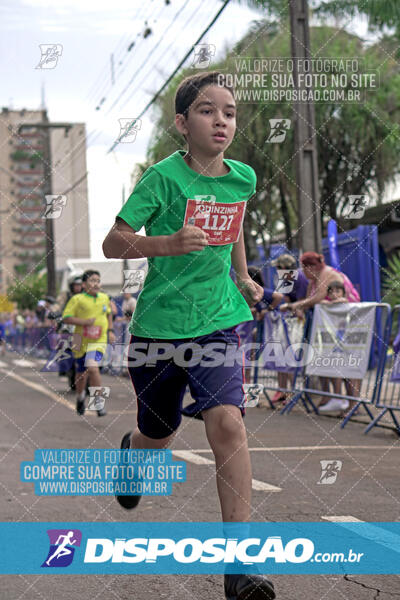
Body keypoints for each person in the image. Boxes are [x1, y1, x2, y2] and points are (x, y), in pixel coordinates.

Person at [103, 71, 276, 599]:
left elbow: (236, 223)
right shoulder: (163, 178)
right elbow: (114, 243)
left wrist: (241, 276)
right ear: (182, 123)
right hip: (157, 329)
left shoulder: (241, 177)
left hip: (217, 322)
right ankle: (133, 455)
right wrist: (166, 244)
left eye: (229, 112)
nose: (221, 119)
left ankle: (239, 565)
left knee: (227, 422)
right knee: (159, 437)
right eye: (207, 110)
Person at [62, 270, 116, 417]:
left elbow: (109, 314)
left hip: (98, 341)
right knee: (81, 373)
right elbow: (66, 318)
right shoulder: (77, 299)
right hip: (80, 340)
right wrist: (84, 322)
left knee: (93, 368)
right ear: (84, 285)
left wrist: (110, 331)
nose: (96, 284)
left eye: (98, 281)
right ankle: (80, 398)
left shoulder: (104, 298)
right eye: (92, 281)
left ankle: (98, 403)